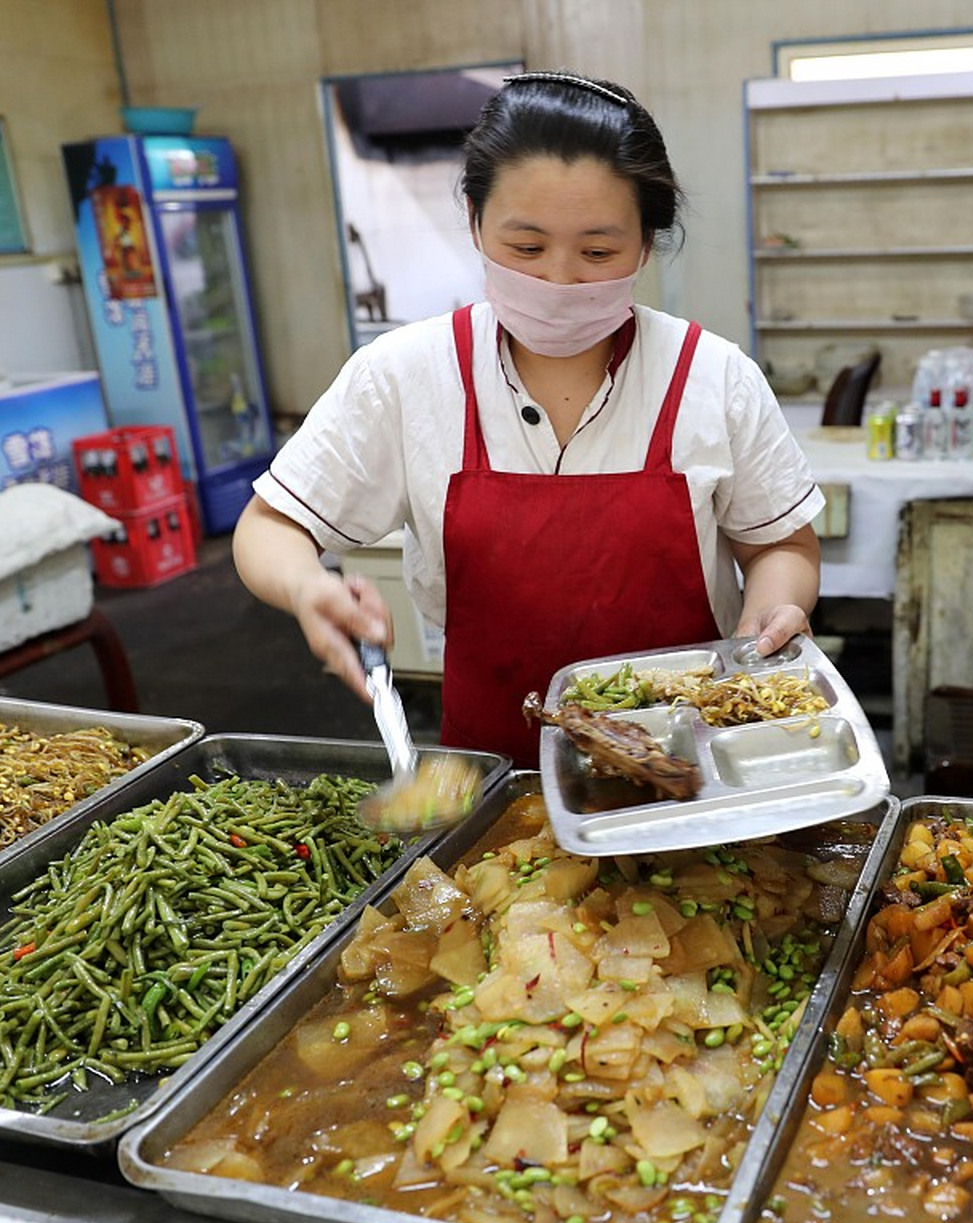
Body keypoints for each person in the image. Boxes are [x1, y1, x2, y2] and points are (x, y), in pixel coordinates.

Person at [234, 71, 824, 767]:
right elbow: (271, 526)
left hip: (688, 767)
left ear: (646, 243)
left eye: (598, 251)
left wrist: (771, 611)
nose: (560, 279)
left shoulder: (712, 377)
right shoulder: (405, 375)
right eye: (526, 247)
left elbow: (781, 545)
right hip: (492, 771)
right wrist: (309, 586)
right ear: (476, 222)